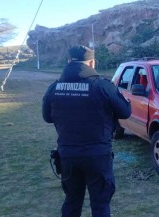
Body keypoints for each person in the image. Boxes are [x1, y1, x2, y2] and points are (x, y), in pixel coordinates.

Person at [42, 45, 131, 217]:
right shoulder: (103, 86)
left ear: (69, 61)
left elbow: (47, 117)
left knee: (72, 200)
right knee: (100, 204)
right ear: (92, 62)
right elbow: (125, 112)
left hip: (68, 155)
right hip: (98, 155)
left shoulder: (54, 88)